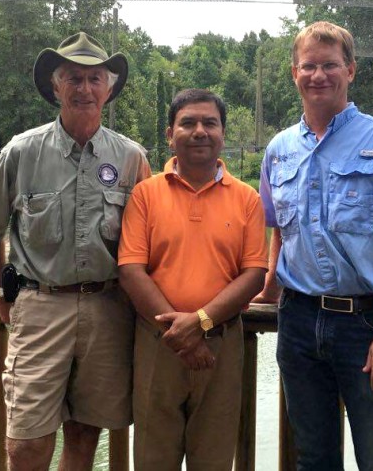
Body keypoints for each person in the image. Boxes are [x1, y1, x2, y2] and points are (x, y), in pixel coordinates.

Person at [255, 21, 373, 470]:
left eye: (330, 65)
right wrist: (269, 292)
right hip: (297, 323)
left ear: (351, 70)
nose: (319, 75)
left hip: (365, 326)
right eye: (309, 66)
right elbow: (279, 229)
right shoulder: (279, 150)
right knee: (314, 457)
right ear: (294, 73)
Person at [0, 32, 151, 471]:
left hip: (109, 309)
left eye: (95, 78)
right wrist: (1, 294)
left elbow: (149, 242)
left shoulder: (132, 158)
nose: (84, 88)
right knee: (26, 442)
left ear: (108, 90)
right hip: (40, 306)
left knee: (85, 435)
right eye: (73, 77)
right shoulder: (21, 151)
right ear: (56, 86)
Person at [118, 88, 268, 471]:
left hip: (221, 345)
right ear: (170, 133)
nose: (199, 130)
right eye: (188, 122)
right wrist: (182, 338)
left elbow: (254, 274)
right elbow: (131, 270)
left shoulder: (247, 199)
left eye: (210, 123)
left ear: (222, 133)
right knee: (153, 459)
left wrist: (200, 323)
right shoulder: (145, 194)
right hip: (157, 345)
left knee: (214, 459)